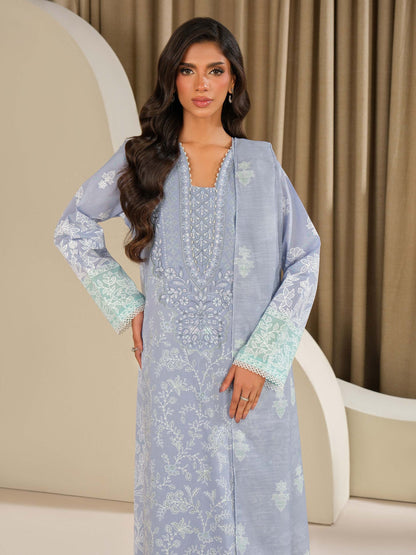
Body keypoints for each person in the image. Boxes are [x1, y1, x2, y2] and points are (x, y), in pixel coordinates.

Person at [54, 16, 320, 555]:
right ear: (171, 80)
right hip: (173, 377)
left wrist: (262, 358)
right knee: (176, 506)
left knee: (258, 512)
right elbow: (73, 227)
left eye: (215, 71)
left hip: (249, 374)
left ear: (233, 80)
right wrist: (129, 306)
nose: (201, 84)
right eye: (187, 70)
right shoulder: (142, 159)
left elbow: (305, 256)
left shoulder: (260, 167)